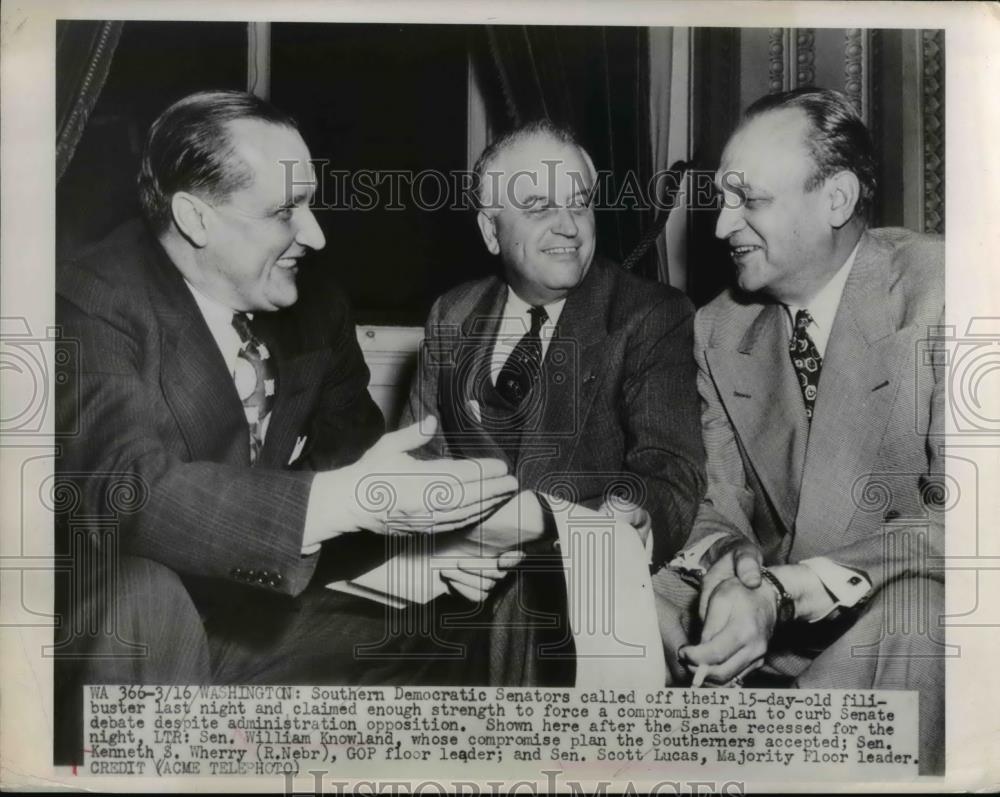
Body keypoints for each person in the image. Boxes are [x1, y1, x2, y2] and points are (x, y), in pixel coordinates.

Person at [53, 90, 516, 762]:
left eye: (310, 202)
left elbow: (345, 492)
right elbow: (127, 495)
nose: (318, 234)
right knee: (144, 599)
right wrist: (350, 497)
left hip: (240, 615)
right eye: (283, 212)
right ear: (194, 217)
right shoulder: (91, 299)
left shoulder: (313, 305)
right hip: (113, 628)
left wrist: (417, 560)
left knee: (436, 629)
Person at [651, 88, 945, 773]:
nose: (722, 227)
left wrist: (781, 591)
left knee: (921, 612)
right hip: (773, 613)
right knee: (618, 577)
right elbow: (713, 500)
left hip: (892, 609)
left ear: (835, 200)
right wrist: (733, 570)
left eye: (748, 200)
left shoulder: (948, 291)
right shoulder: (718, 327)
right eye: (722, 200)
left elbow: (971, 520)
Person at [401, 119, 706, 685]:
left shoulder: (649, 315)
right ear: (491, 232)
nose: (568, 226)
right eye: (540, 206)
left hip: (575, 611)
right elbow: (416, 465)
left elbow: (671, 470)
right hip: (457, 607)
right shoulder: (453, 313)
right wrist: (443, 552)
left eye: (581, 203)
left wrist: (635, 515)